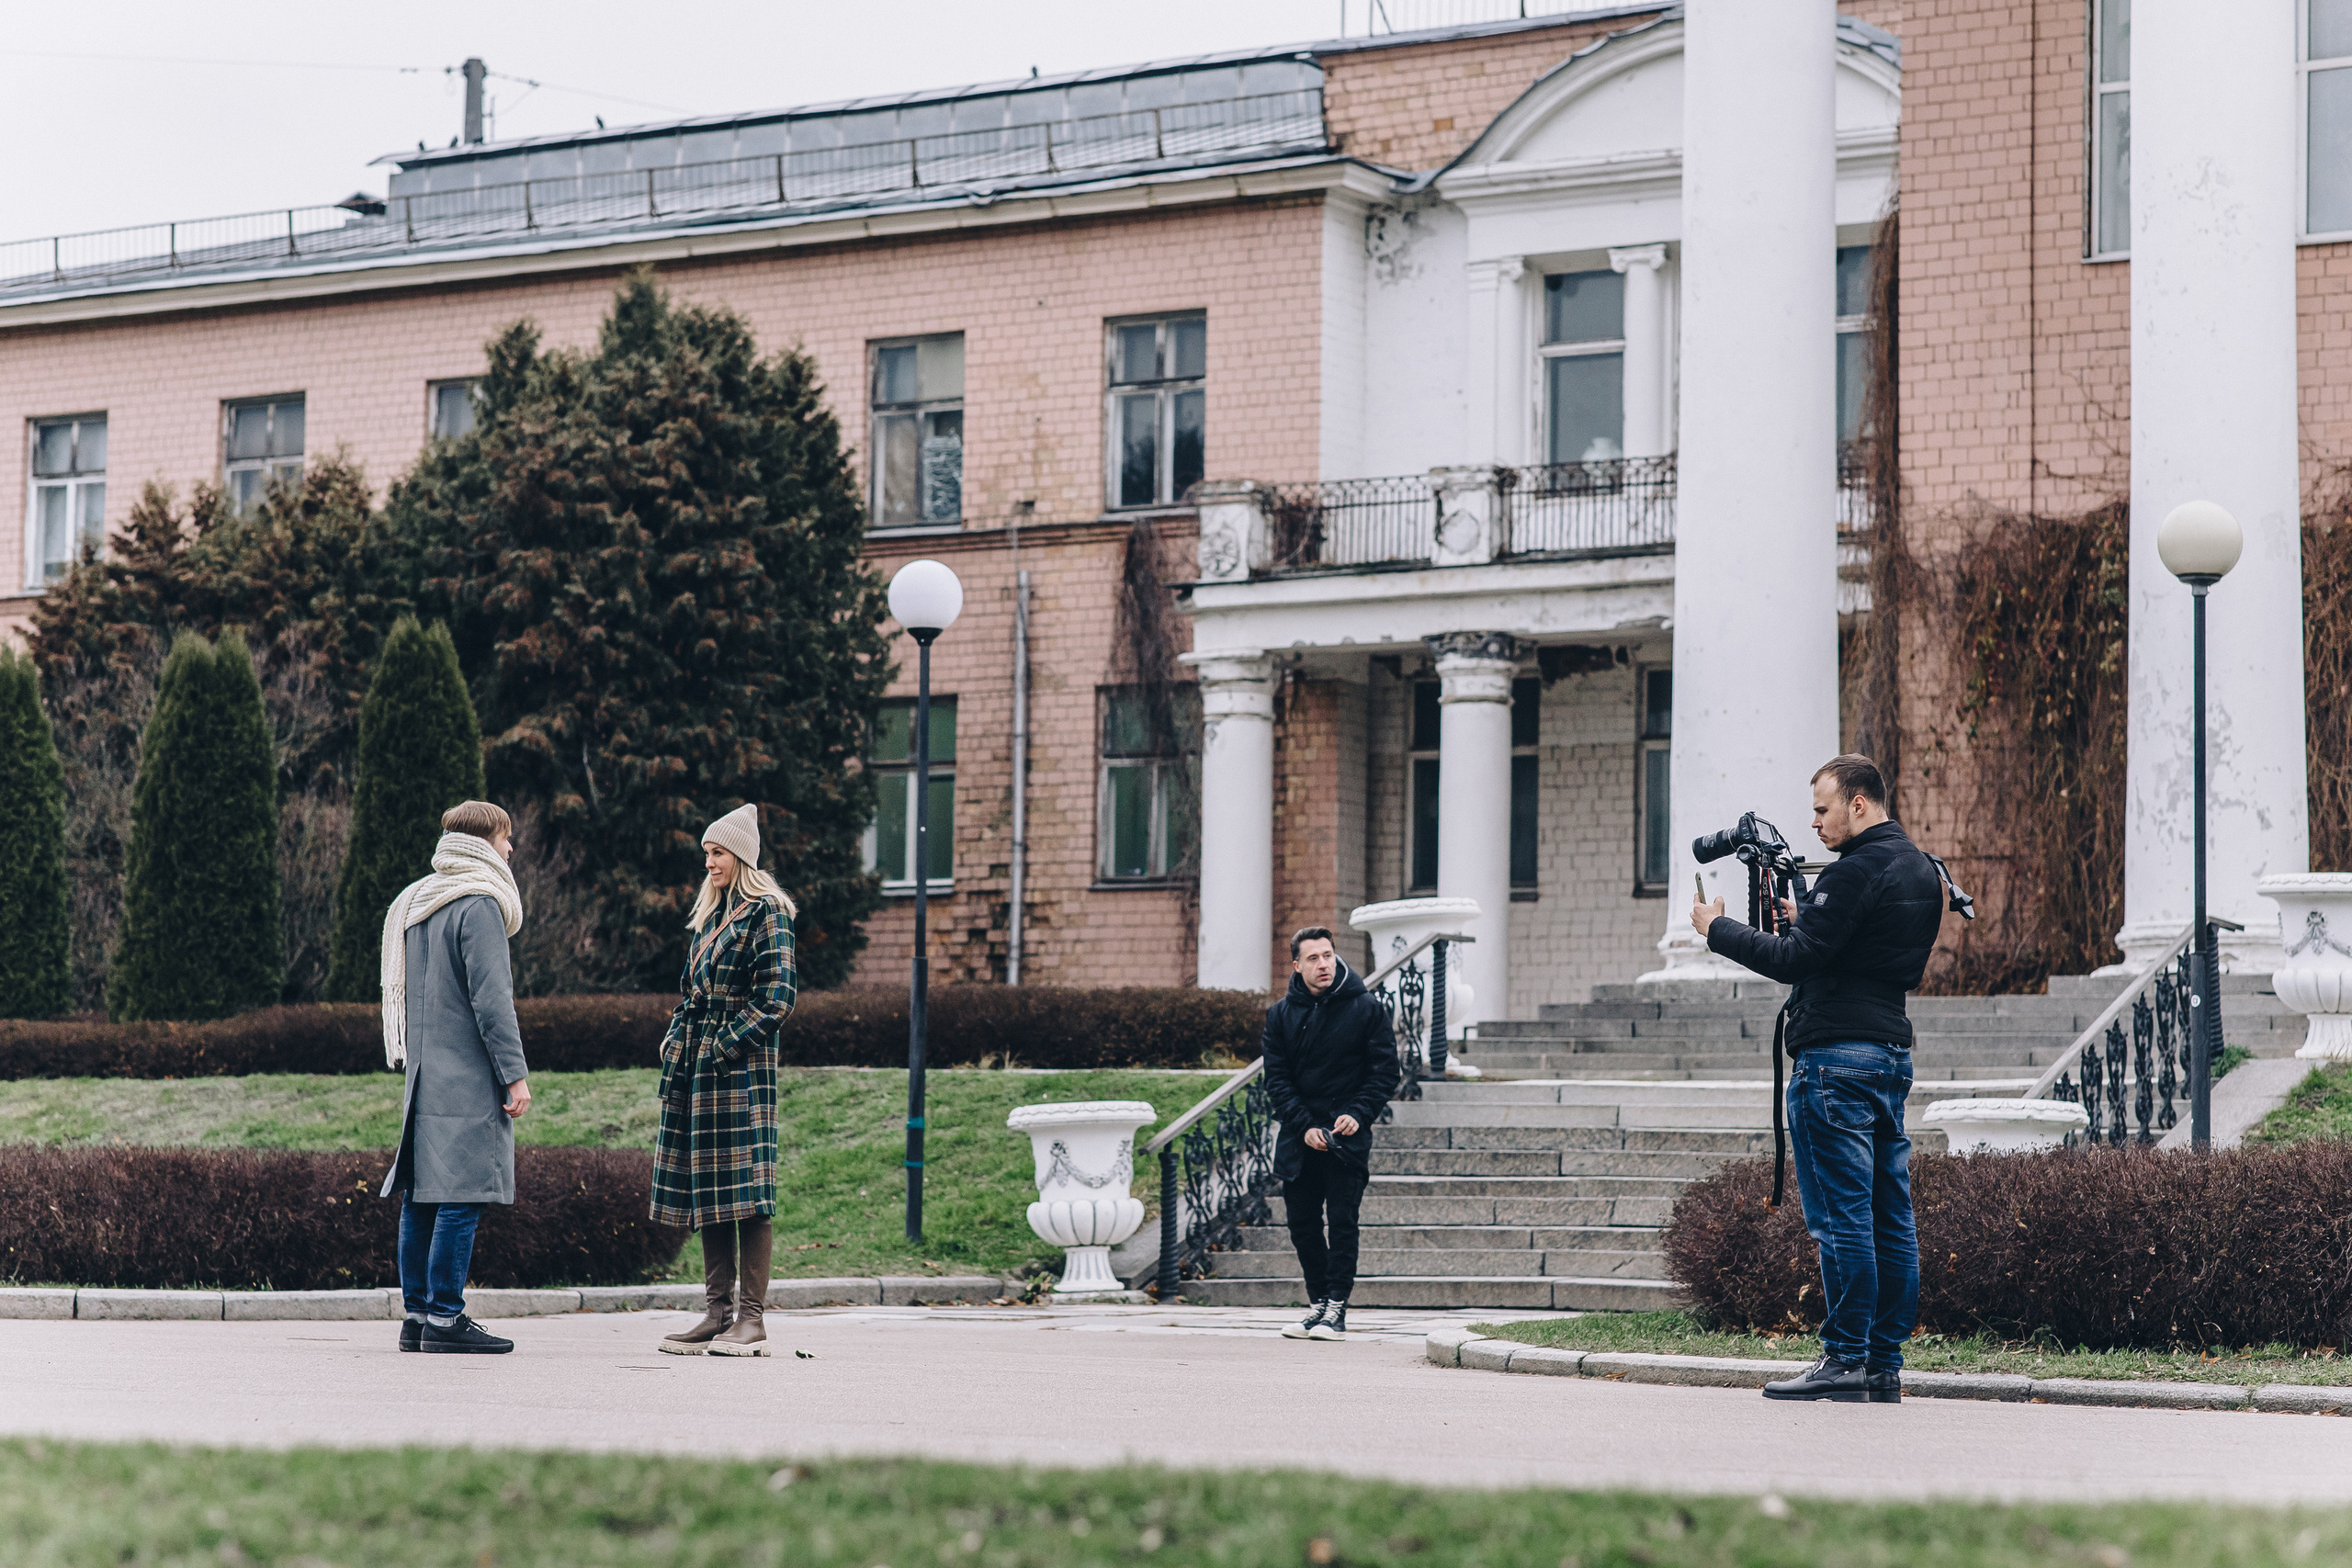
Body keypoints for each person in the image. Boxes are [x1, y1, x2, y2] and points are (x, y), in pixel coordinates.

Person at [1690, 754, 1947, 1404]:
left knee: (1842, 1221)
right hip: (1890, 1056)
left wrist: (1717, 929)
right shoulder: (1920, 867)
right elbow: (1853, 950)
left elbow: (1795, 958)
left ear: (1859, 802)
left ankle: (1844, 1356)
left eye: (1823, 808)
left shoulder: (1854, 869)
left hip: (1834, 1063)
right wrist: (1807, 915)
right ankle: (1882, 1362)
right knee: (1892, 1218)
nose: (1814, 823)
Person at [379, 800, 530, 1356]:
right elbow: (493, 1004)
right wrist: (514, 1076)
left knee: (420, 1198)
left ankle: (416, 1317)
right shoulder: (478, 905)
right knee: (462, 1196)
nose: (510, 848)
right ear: (481, 842)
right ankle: (446, 1316)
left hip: (423, 1077)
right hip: (467, 1077)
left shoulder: (418, 904)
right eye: (504, 837)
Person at [653, 803, 799, 1357]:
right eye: (707, 854)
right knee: (710, 1189)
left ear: (740, 856)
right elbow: (691, 995)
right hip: (697, 1068)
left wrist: (721, 1047)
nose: (709, 862)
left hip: (740, 1072)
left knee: (748, 1193)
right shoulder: (710, 918)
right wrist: (677, 1035)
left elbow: (778, 1000)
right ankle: (716, 1313)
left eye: (716, 853)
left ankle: (752, 1319)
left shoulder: (768, 915)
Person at [1261, 926, 1399, 1342]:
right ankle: (1318, 1305)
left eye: (1328, 955)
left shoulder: (1366, 1008)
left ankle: (1336, 1309)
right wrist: (1304, 1127)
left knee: (1341, 1223)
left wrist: (1358, 1113)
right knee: (1302, 1226)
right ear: (1297, 965)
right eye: (1314, 958)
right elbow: (1277, 1080)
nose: (1324, 964)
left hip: (1345, 1139)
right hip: (1299, 1139)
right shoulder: (1280, 1015)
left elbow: (1385, 1072)